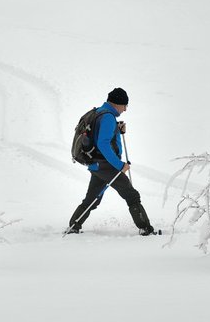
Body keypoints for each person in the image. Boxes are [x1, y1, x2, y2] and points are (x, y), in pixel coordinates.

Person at [66, 87, 155, 235]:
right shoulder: (107, 117)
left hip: (97, 165)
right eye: (125, 105)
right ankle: (146, 229)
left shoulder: (99, 112)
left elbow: (100, 136)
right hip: (107, 166)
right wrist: (120, 165)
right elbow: (103, 144)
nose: (125, 109)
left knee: (92, 200)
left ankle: (73, 226)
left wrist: (117, 129)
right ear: (117, 103)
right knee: (131, 195)